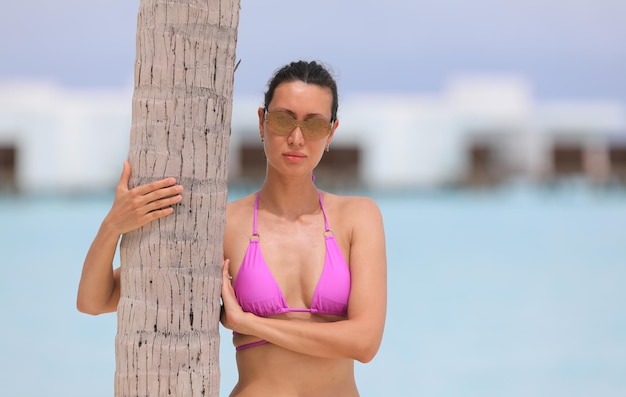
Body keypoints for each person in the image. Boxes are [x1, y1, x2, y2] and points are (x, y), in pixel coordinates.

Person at [77, 60, 387, 397]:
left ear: (331, 132)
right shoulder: (224, 225)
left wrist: (248, 323)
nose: (296, 138)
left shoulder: (358, 217)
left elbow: (365, 342)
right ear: (261, 122)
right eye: (284, 120)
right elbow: (95, 300)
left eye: (313, 126)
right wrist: (113, 226)